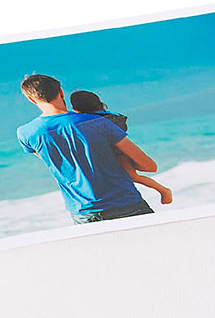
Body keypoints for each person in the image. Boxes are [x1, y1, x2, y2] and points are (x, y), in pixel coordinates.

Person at [16, 74, 162, 223]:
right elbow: (148, 165)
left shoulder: (26, 134)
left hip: (84, 213)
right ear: (61, 92)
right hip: (127, 204)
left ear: (31, 99)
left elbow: (54, 161)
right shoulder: (99, 122)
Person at [68, 90, 173, 205]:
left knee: (132, 176)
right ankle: (162, 190)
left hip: (118, 154)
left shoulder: (87, 120)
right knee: (132, 176)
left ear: (76, 109)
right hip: (121, 151)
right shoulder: (110, 116)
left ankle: (163, 190)